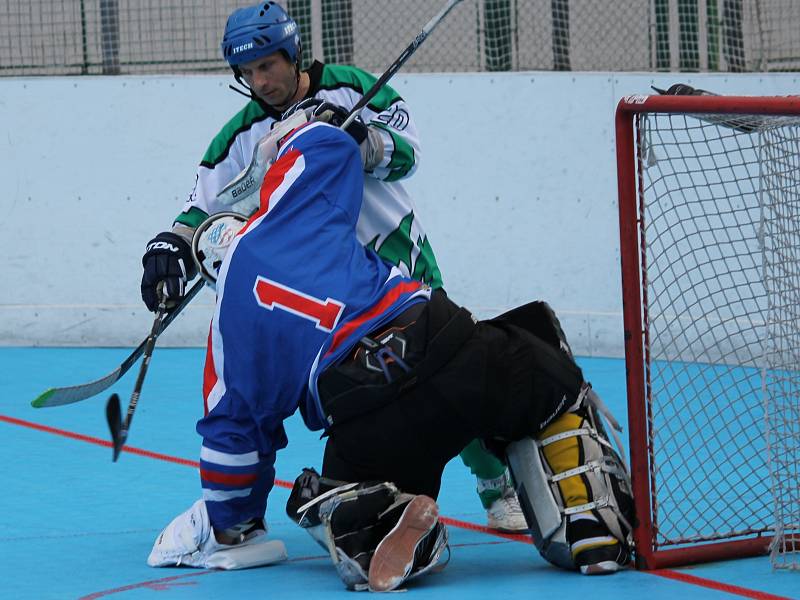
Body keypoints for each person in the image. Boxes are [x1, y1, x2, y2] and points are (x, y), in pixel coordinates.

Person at [146, 116, 634, 591]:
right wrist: (288, 135)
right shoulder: (289, 212)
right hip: (447, 347)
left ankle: (379, 520)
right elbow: (325, 146)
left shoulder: (229, 324)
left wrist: (235, 522)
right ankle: (590, 525)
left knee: (324, 496)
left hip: (370, 414)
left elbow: (234, 434)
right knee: (539, 365)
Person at [139, 1, 525, 532]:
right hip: (330, 288)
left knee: (445, 370)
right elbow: (202, 210)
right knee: (364, 390)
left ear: (292, 54)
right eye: (247, 73)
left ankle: (493, 481)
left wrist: (360, 142)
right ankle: (385, 493)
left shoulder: (349, 89)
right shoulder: (239, 136)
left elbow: (408, 153)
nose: (260, 81)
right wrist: (168, 245)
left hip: (394, 259)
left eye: (267, 66)